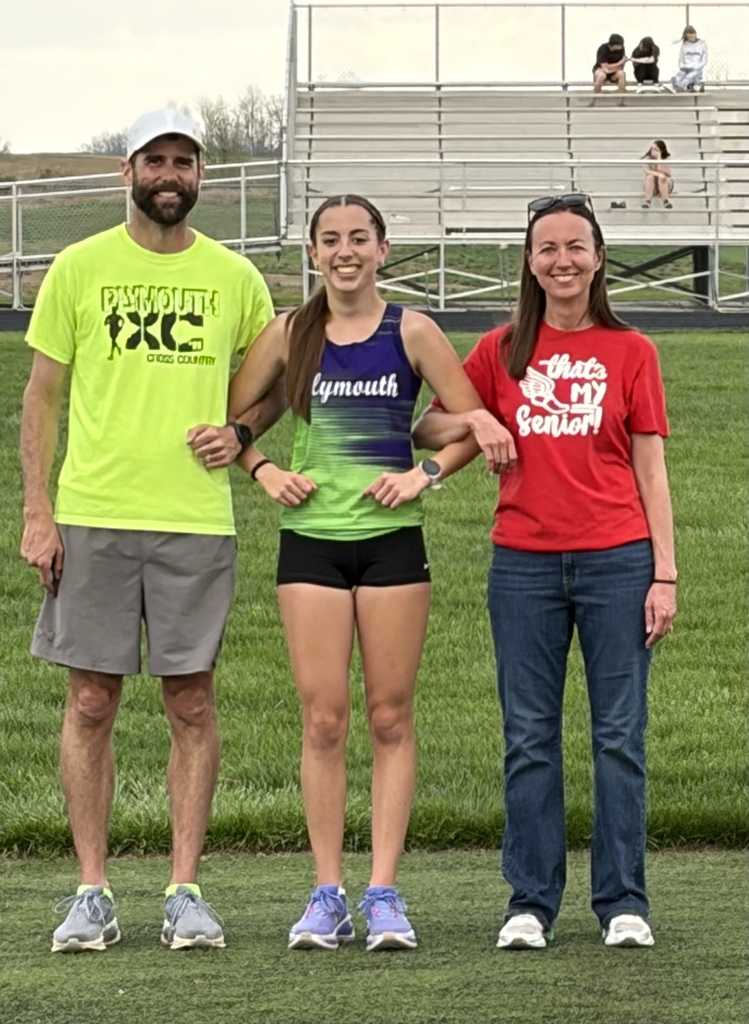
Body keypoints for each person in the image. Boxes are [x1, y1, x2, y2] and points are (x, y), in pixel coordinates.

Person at [195, 193, 515, 953]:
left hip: (392, 546)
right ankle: (327, 894)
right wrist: (264, 469)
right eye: (332, 239)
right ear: (313, 253)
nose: (346, 251)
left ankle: (384, 894)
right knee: (324, 719)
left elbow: (468, 426)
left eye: (360, 238)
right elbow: (234, 421)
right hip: (310, 544)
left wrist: (422, 475)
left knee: (390, 717)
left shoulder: (414, 331)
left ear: (382, 248)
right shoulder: (289, 332)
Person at [20, 106, 283, 953]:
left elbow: (275, 382)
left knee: (191, 700)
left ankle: (185, 891)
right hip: (93, 513)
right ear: (127, 171)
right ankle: (91, 891)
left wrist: (241, 433)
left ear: (200, 175)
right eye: (156, 160)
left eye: (185, 162)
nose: (171, 175)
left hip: (193, 519)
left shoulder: (235, 278)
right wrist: (38, 512)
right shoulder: (79, 266)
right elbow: (42, 396)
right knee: (91, 699)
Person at [413, 192, 677, 951]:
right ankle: (530, 902)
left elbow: (651, 468)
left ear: (599, 258)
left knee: (618, 736)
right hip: (523, 566)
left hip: (618, 560)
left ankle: (623, 901)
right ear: (529, 263)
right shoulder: (500, 350)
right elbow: (427, 425)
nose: (563, 261)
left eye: (575, 246)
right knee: (529, 735)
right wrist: (478, 416)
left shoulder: (633, 351)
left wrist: (664, 574)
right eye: (547, 248)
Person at [671, 26, 708, 92]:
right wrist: (683, 67)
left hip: (696, 69)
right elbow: (681, 60)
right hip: (686, 68)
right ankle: (693, 87)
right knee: (680, 76)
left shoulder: (702, 44)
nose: (691, 38)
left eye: (693, 36)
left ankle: (680, 86)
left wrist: (695, 66)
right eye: (689, 37)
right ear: (686, 36)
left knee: (689, 76)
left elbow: (704, 61)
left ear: (695, 34)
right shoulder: (684, 46)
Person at [642, 140, 674, 209]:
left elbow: (666, 173)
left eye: (655, 149)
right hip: (651, 184)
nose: (652, 151)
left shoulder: (666, 159)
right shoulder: (647, 159)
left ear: (661, 150)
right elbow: (647, 171)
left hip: (665, 183)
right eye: (651, 149)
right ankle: (647, 201)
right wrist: (659, 174)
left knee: (662, 178)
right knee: (650, 177)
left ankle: (666, 201)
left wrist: (659, 158)